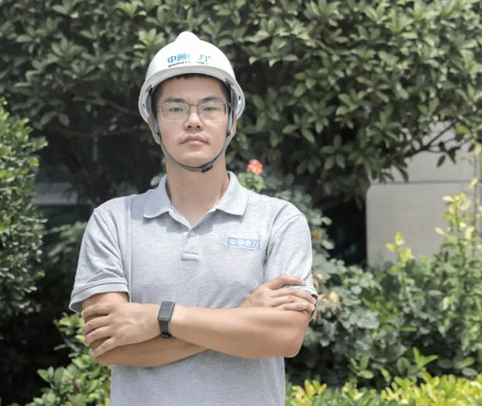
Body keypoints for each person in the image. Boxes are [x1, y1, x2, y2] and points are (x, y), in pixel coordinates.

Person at [69, 31, 318, 406]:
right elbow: (110, 347)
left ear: (232, 121)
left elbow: (284, 336)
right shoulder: (113, 221)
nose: (193, 121)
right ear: (154, 124)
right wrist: (242, 317)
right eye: (174, 108)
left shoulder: (279, 220)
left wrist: (161, 318)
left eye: (211, 107)